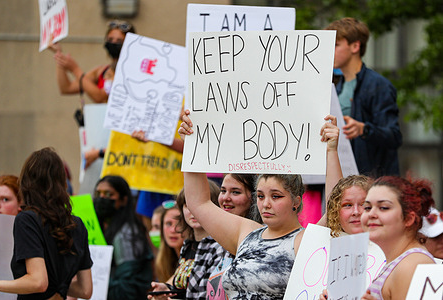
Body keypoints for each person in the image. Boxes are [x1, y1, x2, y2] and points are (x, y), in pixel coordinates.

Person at [178, 110, 341, 299]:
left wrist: (331, 150)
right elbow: (199, 203)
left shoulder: (303, 241)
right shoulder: (246, 233)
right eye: (261, 196)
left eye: (276, 196)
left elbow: (335, 210)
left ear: (296, 201)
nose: (266, 204)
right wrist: (191, 145)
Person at [0, 147, 93, 299]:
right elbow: (85, 291)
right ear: (62, 183)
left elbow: (38, 282)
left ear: (26, 182)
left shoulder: (27, 220)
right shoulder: (77, 224)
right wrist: (60, 285)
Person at [325, 17, 402, 177]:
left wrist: (364, 129)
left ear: (355, 46)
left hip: (371, 183)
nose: (329, 50)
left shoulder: (378, 85)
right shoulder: (336, 86)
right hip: (343, 179)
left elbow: (394, 136)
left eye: (336, 45)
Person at [359, 176, 436, 299]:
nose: (371, 214)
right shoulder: (400, 261)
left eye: (383, 207)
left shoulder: (412, 265)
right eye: (367, 207)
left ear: (409, 219)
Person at [148, 181, 225, 300]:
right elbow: (185, 289)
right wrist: (168, 290)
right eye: (188, 205)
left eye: (200, 204)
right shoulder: (188, 244)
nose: (193, 210)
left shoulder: (219, 246)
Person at [93, 175, 153, 299]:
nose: (102, 198)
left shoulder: (127, 234)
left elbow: (127, 284)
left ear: (123, 200)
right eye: (98, 194)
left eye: (109, 194)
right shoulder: (103, 227)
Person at [50, 20, 135, 104]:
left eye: (119, 41)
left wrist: (75, 69)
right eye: (110, 39)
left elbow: (99, 97)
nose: (113, 43)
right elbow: (66, 88)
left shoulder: (130, 73)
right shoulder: (101, 71)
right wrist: (58, 55)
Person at [207, 173, 262, 300]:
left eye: (235, 192)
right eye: (223, 191)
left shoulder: (264, 239)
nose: (225, 198)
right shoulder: (210, 241)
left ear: (254, 198)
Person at [154, 202, 184, 283]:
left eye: (180, 224)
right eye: (168, 224)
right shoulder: (162, 261)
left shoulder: (194, 260)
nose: (173, 230)